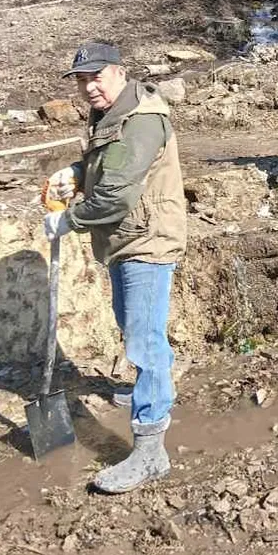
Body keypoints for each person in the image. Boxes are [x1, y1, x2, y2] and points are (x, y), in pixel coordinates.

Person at [43, 41, 187, 493]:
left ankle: (150, 451)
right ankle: (156, 383)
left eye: (96, 76)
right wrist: (77, 173)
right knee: (134, 327)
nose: (88, 87)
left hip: (146, 240)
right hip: (126, 239)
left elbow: (118, 194)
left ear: (119, 72)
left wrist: (67, 221)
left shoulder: (141, 120)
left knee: (143, 343)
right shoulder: (111, 113)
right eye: (82, 80)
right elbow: (107, 166)